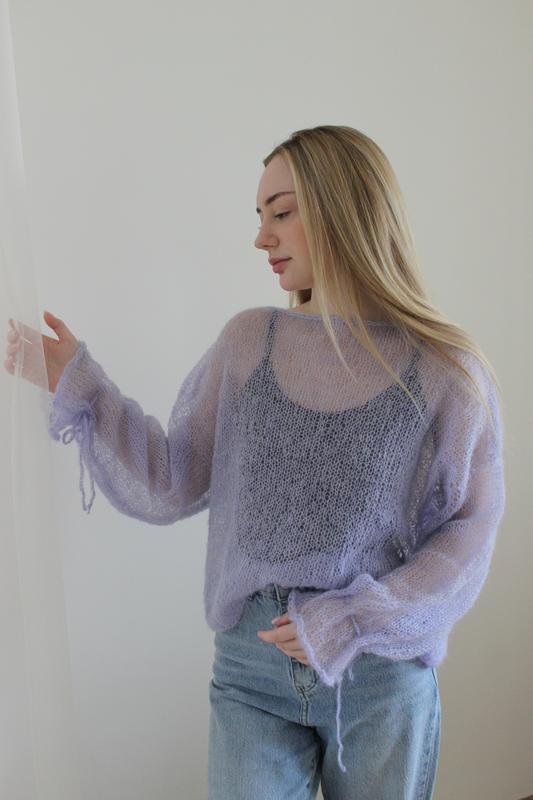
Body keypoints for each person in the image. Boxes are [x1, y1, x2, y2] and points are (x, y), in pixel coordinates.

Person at [4, 124, 506, 800]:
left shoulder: (445, 369)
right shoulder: (250, 342)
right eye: (260, 216)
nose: (261, 238)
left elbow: (468, 534)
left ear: (343, 209)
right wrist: (83, 385)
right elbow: (171, 479)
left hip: (377, 674)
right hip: (252, 670)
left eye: (281, 213)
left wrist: (354, 617)